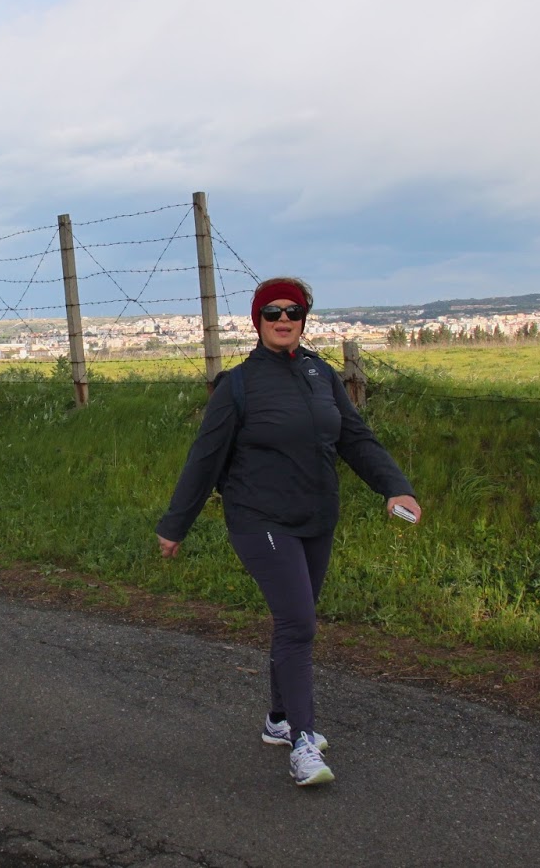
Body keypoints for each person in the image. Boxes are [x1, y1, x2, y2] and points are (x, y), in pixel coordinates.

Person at [155, 277, 422, 787]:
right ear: (257, 321)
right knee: (299, 623)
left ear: (303, 319)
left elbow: (356, 439)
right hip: (260, 519)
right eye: (272, 312)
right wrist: (176, 525)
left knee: (293, 621)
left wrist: (395, 488)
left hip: (316, 518)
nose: (283, 319)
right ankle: (302, 742)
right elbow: (204, 459)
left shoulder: (321, 375)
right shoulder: (237, 385)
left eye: (293, 312)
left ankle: (278, 720)